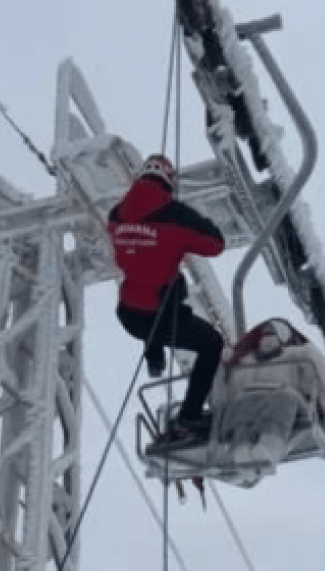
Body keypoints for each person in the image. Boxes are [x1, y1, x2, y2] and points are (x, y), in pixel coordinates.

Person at [107, 153, 226, 444]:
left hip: (128, 314)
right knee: (212, 344)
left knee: (157, 304)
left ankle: (155, 357)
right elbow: (215, 244)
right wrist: (197, 220)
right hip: (161, 314)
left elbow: (135, 245)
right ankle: (190, 415)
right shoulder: (176, 215)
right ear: (169, 180)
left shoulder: (117, 215)